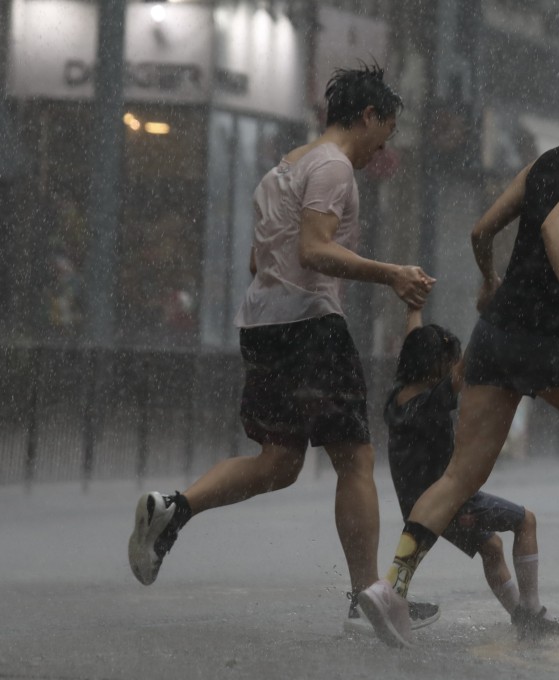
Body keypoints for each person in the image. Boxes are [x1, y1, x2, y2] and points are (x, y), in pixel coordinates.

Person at [357, 82, 559, 647]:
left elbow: (482, 230)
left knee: (459, 476)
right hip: (544, 338)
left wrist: (488, 280)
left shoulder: (544, 162)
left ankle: (392, 585)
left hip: (494, 335)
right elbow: (555, 227)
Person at [127, 64, 441, 631]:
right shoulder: (332, 167)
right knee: (357, 459)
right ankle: (368, 598)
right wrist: (391, 273)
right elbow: (315, 250)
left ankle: (174, 510)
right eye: (385, 133)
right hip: (311, 325)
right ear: (368, 116)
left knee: (280, 462)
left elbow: (258, 260)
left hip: (264, 325)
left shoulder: (281, 170)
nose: (381, 150)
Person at [373, 304, 559, 641]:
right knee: (526, 521)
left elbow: (416, 341)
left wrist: (413, 310)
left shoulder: (398, 398)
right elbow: (464, 367)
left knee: (491, 547)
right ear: (435, 364)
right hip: (450, 503)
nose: (453, 364)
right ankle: (534, 611)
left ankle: (520, 617)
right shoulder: (434, 400)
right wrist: (495, 313)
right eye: (447, 359)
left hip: (415, 506)